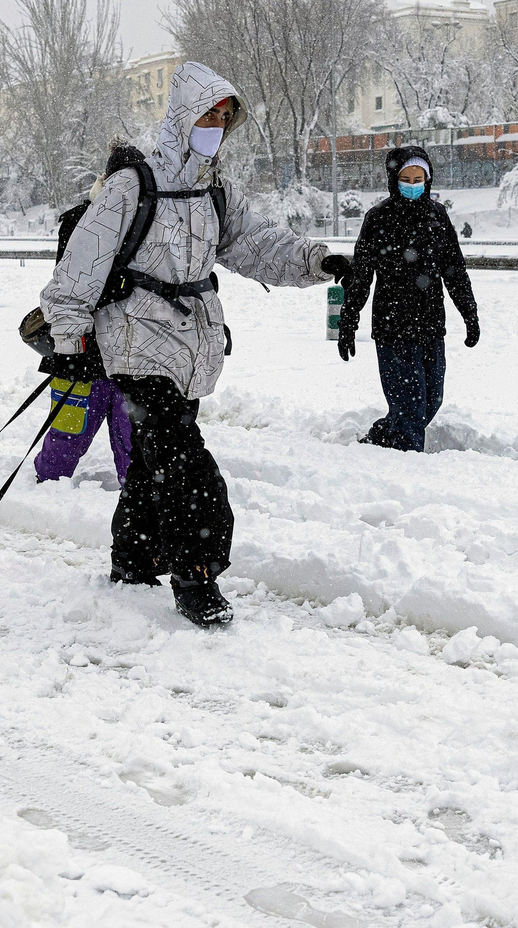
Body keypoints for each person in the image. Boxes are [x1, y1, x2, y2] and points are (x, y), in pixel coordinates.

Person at [39, 61, 347, 627]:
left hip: (189, 349)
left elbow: (256, 245)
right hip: (135, 346)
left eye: (226, 117)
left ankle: (133, 561)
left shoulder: (214, 190)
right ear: (183, 116)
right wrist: (67, 341)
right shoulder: (132, 187)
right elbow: (75, 274)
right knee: (187, 465)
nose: (218, 124)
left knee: (155, 462)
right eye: (209, 113)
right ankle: (196, 574)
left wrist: (315, 261)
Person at [337, 146, 480, 452]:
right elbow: (362, 276)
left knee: (431, 400)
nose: (413, 184)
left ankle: (380, 439)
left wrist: (470, 314)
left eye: (419, 178)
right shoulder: (378, 218)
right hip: (392, 327)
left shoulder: (437, 216)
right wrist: (348, 321)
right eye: (406, 177)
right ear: (394, 178)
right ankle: (408, 470)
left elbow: (454, 270)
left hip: (430, 324)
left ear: (428, 180)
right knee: (411, 409)